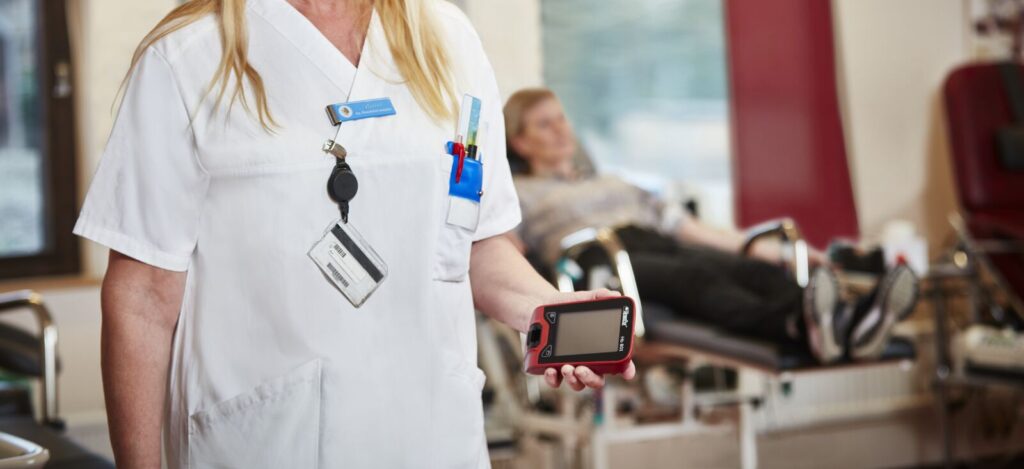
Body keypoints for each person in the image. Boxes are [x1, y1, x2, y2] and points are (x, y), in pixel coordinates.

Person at [75, 2, 633, 467]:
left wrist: (552, 310)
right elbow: (142, 298)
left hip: (432, 432)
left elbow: (477, 244)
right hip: (267, 441)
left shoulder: (448, 40)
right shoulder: (190, 58)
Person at [503, 87, 919, 364]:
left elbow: (689, 228)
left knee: (750, 270)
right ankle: (802, 323)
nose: (561, 130)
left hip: (652, 240)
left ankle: (846, 320)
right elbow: (505, 252)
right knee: (696, 276)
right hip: (602, 258)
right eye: (544, 124)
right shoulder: (516, 192)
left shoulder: (614, 181)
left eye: (561, 119)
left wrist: (774, 252)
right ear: (520, 143)